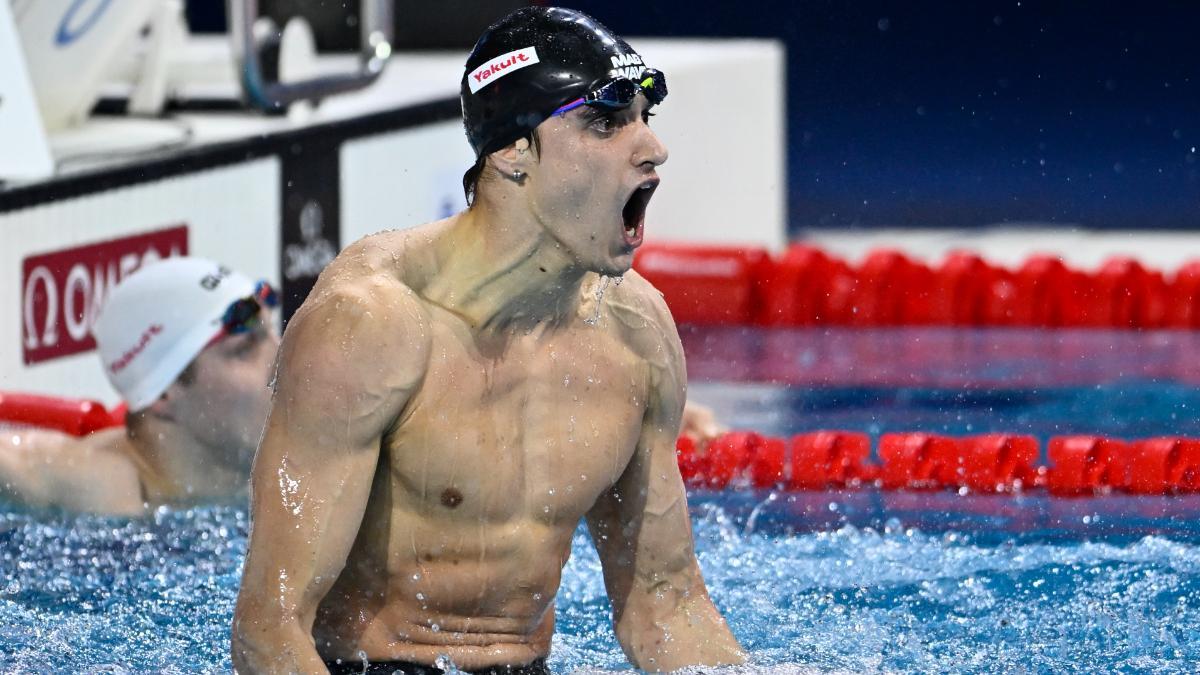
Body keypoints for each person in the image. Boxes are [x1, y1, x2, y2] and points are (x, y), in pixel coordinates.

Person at [232, 7, 746, 674]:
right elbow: (269, 628)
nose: (651, 147)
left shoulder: (636, 333)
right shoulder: (374, 323)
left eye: (645, 117)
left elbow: (664, 603)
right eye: (605, 121)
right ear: (513, 152)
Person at [0, 257, 280, 515]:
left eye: (274, 333)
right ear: (163, 393)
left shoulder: (289, 472)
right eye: (245, 349)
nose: (283, 358)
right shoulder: (105, 488)